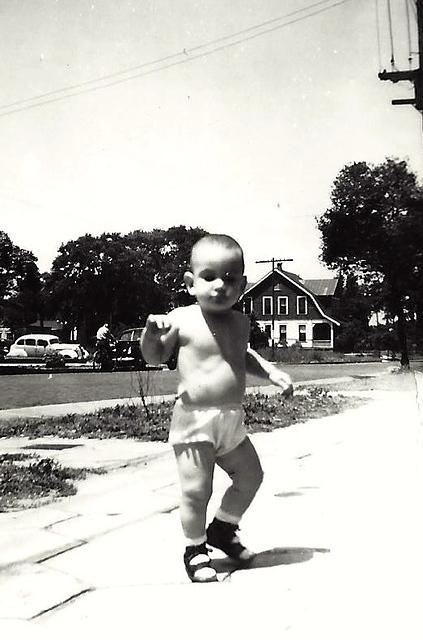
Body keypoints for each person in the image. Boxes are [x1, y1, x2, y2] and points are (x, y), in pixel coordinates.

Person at [141, 234, 293, 583]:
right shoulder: (182, 318)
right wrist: (151, 334)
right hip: (194, 420)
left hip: (230, 419)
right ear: (191, 283)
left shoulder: (240, 322)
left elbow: (243, 356)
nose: (220, 286)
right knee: (197, 490)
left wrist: (270, 371)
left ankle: (223, 529)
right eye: (210, 277)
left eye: (230, 278)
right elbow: (155, 356)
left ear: (242, 284)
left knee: (251, 476)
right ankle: (195, 549)